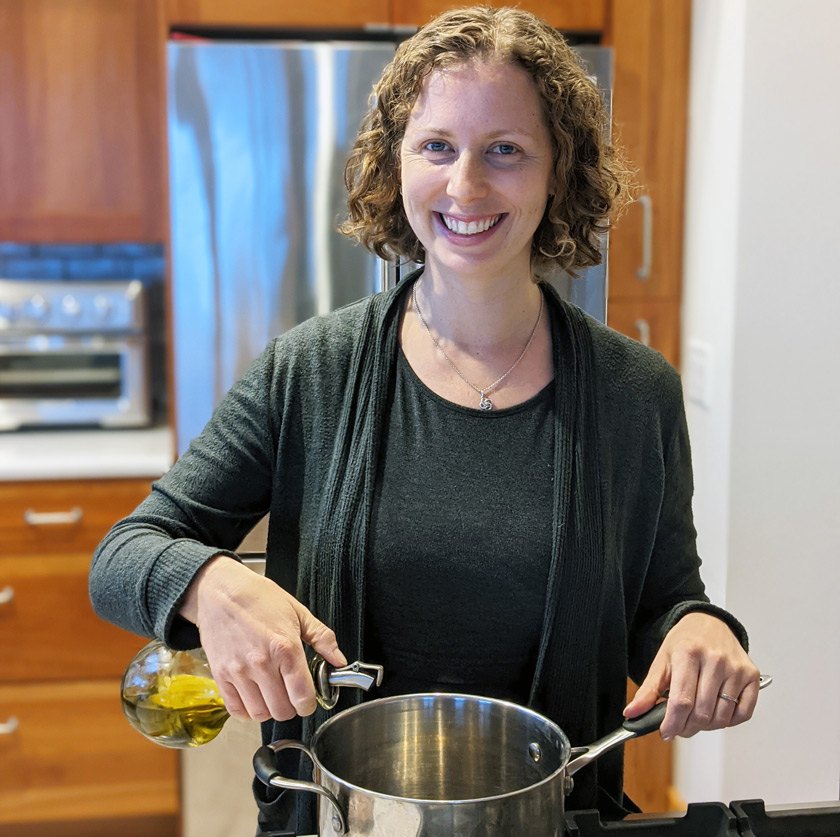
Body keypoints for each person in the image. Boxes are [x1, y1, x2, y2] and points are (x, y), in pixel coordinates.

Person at [90, 6, 762, 833]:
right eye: (436, 146)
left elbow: (663, 603)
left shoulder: (636, 393)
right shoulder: (309, 371)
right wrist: (211, 582)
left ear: (560, 170)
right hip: (337, 819)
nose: (465, 185)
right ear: (396, 162)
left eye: (505, 150)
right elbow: (122, 556)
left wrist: (700, 631)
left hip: (551, 818)